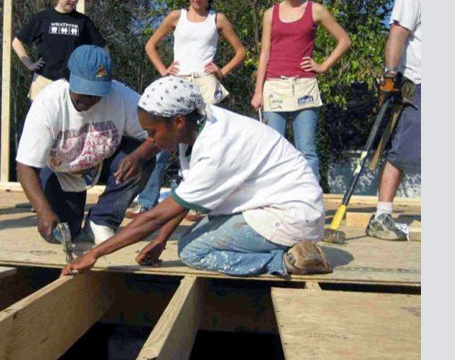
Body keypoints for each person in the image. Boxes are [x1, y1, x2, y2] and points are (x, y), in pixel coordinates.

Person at [62, 76, 333, 277]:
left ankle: (284, 261)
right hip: (283, 203)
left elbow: (154, 216)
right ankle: (288, 251)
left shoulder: (215, 148)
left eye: (153, 132)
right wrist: (160, 240)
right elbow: (189, 194)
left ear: (177, 121)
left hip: (292, 214)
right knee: (195, 234)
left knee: (192, 250)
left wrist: (94, 253)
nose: (150, 140)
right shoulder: (200, 122)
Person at [130, 0, 247, 218]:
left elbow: (240, 51)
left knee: (202, 141)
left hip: (204, 85)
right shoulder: (176, 17)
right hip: (177, 84)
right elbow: (150, 45)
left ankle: (198, 200)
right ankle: (147, 200)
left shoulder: (217, 19)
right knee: (162, 141)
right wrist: (163, 70)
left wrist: (221, 71)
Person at [16, 45, 158, 245]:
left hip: (98, 163)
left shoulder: (121, 97)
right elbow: (25, 166)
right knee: (64, 233)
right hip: (59, 170)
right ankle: (69, 216)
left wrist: (137, 156)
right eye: (83, 91)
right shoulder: (49, 102)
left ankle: (102, 221)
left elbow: (158, 134)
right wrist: (43, 211)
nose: (89, 99)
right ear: (69, 78)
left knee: (142, 157)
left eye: (96, 93)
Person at [252, 0, 351, 182]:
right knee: (273, 150)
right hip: (274, 86)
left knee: (306, 150)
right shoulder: (270, 13)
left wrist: (323, 66)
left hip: (304, 86)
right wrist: (258, 91)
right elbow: (265, 53)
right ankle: (276, 201)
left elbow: (344, 40)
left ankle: (311, 204)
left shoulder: (316, 10)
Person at [367, 0, 421, 241]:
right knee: (402, 149)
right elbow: (397, 34)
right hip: (419, 82)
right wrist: (390, 75)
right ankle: (382, 216)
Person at [12, 0, 105, 101]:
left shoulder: (83, 21)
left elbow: (103, 49)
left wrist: (96, 73)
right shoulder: (43, 18)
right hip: (44, 82)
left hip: (73, 84)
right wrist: (29, 64)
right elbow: (17, 42)